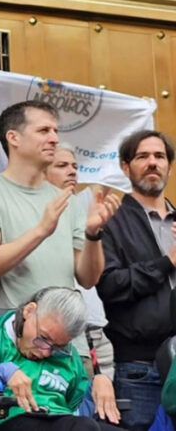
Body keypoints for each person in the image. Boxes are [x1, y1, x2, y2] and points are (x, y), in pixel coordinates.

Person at [0, 100, 118, 309]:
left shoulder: (67, 200)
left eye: (55, 131)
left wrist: (93, 234)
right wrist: (41, 230)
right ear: (13, 138)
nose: (54, 139)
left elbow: (88, 279)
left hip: (67, 336)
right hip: (11, 336)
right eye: (43, 131)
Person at [0, 286, 122, 430]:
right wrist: (1, 374)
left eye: (58, 346)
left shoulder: (68, 354)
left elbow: (78, 409)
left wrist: (97, 384)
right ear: (29, 311)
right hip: (7, 420)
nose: (46, 352)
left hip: (62, 419)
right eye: (43, 338)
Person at [98, 130, 176, 431]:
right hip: (140, 368)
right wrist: (166, 262)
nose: (152, 163)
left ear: (169, 165)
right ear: (125, 167)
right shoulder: (111, 220)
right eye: (143, 156)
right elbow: (110, 285)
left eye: (159, 156)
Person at [44, 143, 114, 381]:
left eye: (75, 166)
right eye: (62, 166)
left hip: (93, 332)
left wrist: (94, 234)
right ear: (41, 171)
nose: (72, 171)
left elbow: (89, 279)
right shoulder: (35, 214)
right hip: (52, 334)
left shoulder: (84, 207)